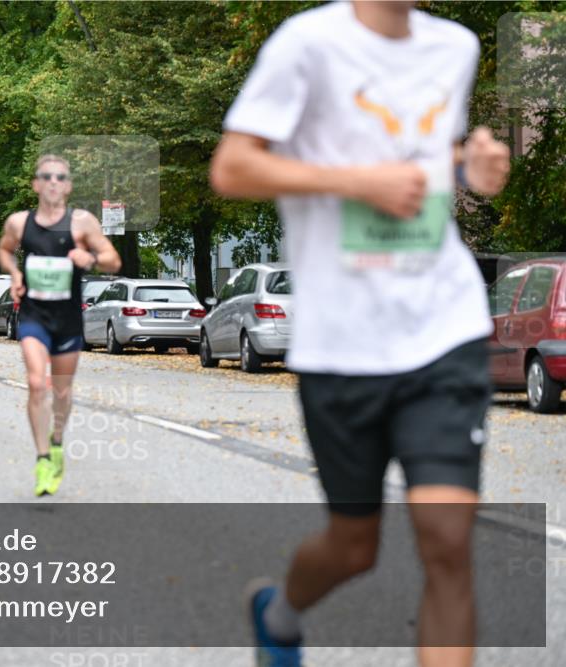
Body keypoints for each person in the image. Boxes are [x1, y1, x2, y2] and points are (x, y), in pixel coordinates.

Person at [209, 2, 511, 665]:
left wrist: (470, 170)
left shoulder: (454, 47)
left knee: (447, 540)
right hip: (342, 342)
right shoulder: (307, 45)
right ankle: (281, 616)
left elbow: (426, 155)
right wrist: (354, 182)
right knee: (354, 545)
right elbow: (232, 167)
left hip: (443, 326)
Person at [0, 154, 121, 496]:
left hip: (67, 321)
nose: (53, 181)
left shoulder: (83, 223)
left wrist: (91, 258)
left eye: (60, 177)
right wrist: (16, 272)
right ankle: (42, 460)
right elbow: (5, 251)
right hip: (34, 316)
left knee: (63, 392)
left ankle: (56, 441)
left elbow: (114, 260)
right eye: (46, 176)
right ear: (36, 184)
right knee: (37, 383)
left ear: (68, 186)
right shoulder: (20, 223)